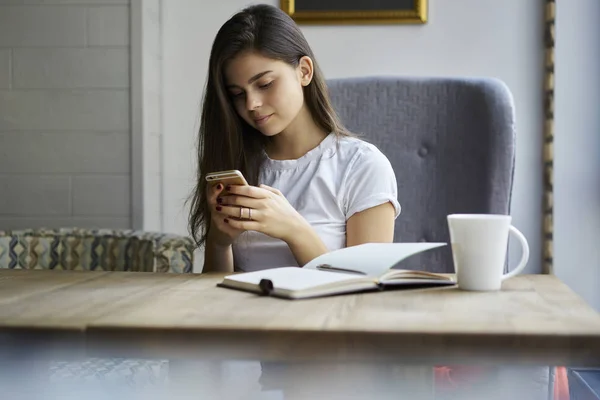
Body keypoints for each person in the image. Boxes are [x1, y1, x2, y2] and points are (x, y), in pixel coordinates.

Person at [188, 4, 401, 275]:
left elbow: (367, 291)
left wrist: (293, 229)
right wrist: (219, 243)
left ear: (304, 71)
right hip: (241, 316)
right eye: (237, 94)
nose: (252, 104)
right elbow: (213, 296)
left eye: (265, 84)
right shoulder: (238, 162)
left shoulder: (361, 166)